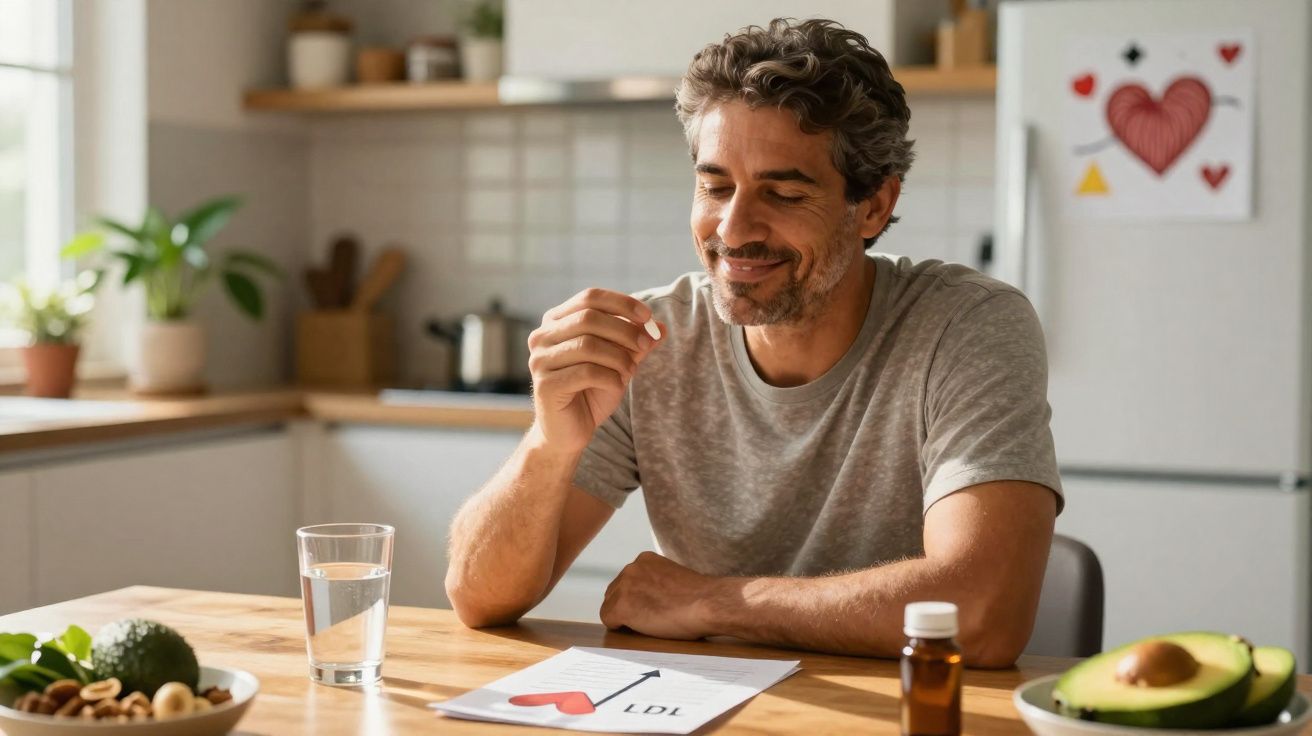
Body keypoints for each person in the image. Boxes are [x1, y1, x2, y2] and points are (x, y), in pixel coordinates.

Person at [445, 18, 1062, 668]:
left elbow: (984, 614)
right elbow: (477, 598)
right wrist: (549, 444)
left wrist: (714, 602)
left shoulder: (966, 326)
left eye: (784, 193)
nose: (734, 230)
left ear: (874, 206)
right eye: (715, 187)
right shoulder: (652, 341)